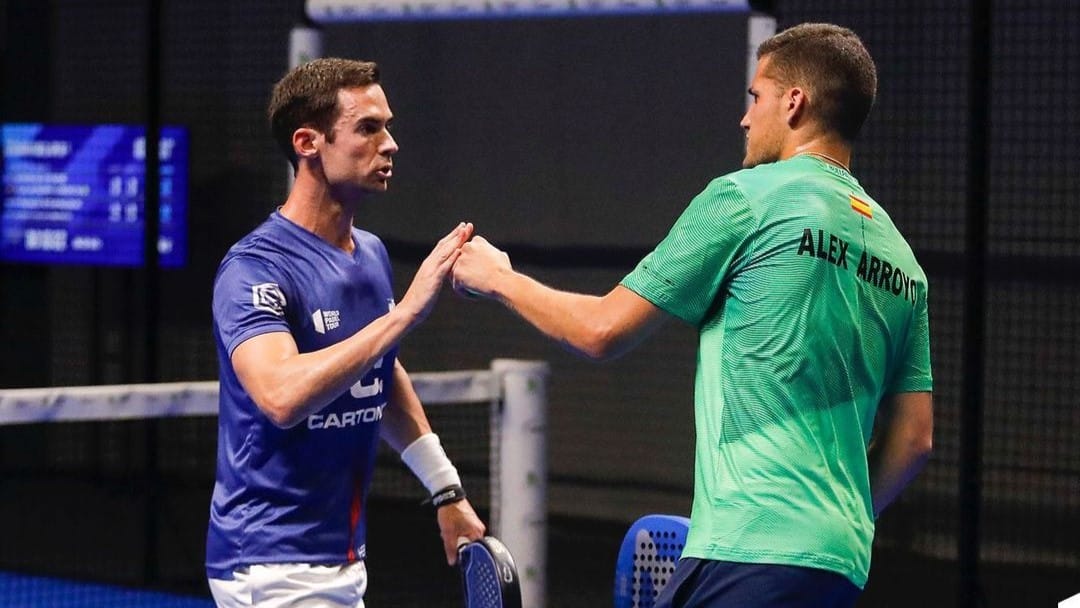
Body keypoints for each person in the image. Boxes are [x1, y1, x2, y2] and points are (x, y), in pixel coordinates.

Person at [451, 23, 933, 607]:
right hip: (840, 563)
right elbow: (915, 440)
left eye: (756, 97)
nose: (746, 118)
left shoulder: (747, 199)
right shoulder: (903, 262)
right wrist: (830, 522)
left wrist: (497, 278)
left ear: (794, 102)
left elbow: (601, 330)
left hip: (747, 546)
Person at [206, 58, 484, 607]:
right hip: (270, 562)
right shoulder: (254, 268)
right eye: (368, 128)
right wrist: (403, 315)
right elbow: (281, 395)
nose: (390, 144)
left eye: (387, 126)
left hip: (342, 557)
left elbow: (381, 375)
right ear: (308, 142)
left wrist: (446, 489)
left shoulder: (371, 254)